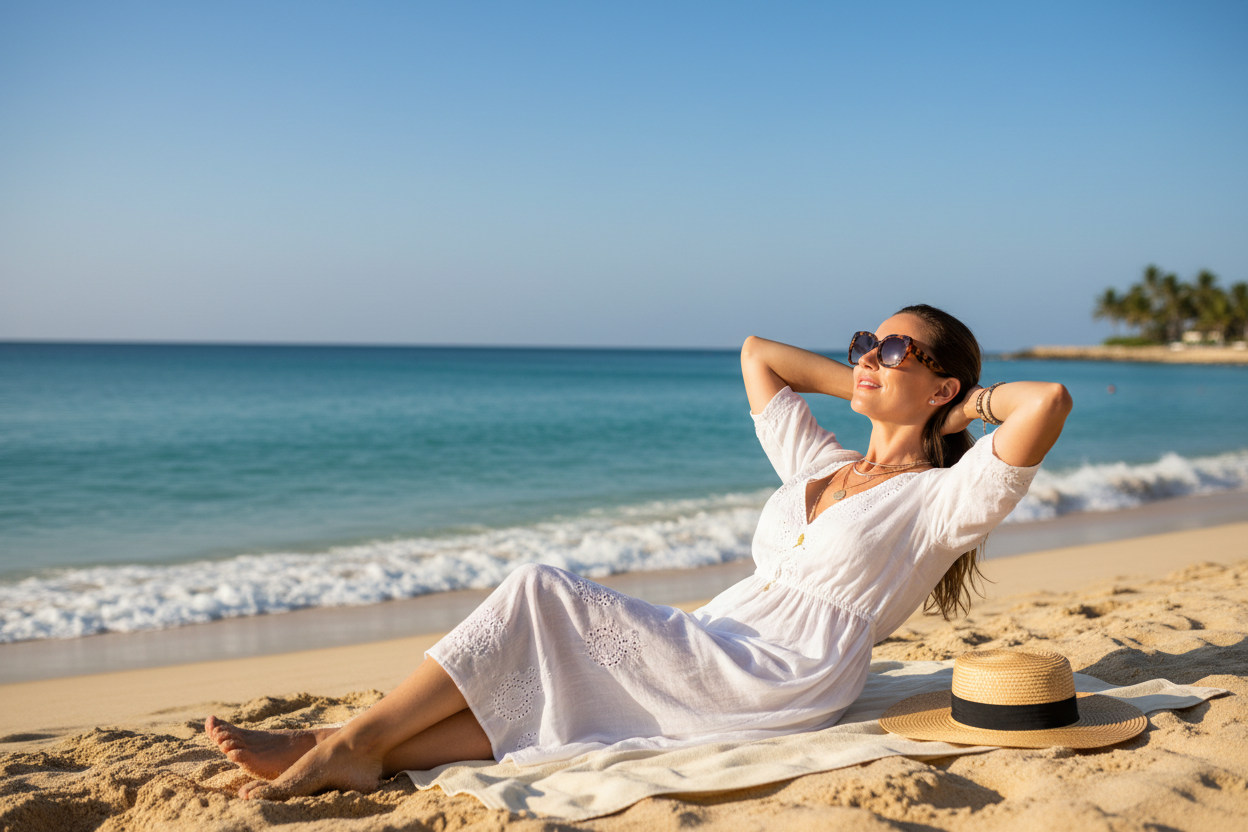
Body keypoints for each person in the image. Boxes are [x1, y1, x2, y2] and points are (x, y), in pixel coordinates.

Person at [206, 304, 1071, 800]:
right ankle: (358, 745)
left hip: (784, 669)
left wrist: (951, 413)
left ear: (944, 383)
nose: (866, 360)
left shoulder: (943, 499)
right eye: (861, 346)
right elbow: (758, 354)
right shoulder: (823, 463)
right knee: (549, 680)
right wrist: (880, 385)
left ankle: (343, 746)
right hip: (725, 634)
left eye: (891, 350)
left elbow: (1048, 402)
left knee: (540, 590)